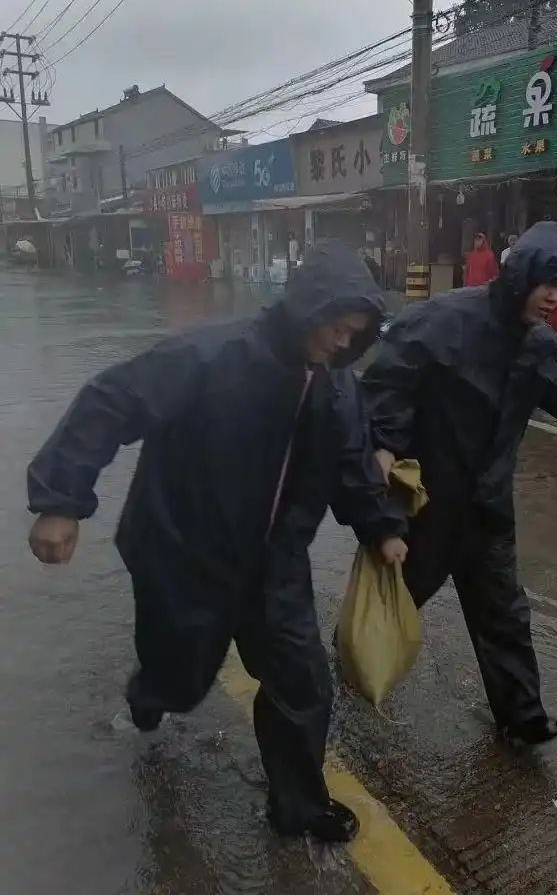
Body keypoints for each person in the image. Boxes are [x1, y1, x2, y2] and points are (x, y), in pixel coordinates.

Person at [26, 241, 408, 844]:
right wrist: (60, 501)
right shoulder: (209, 357)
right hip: (183, 554)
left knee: (302, 682)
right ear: (305, 308)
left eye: (353, 334)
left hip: (275, 567)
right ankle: (150, 692)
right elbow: (111, 402)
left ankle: (299, 806)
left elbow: (355, 465)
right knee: (180, 681)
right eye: (335, 327)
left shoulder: (336, 390)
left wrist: (383, 526)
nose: (341, 343)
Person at [362, 221, 557, 747]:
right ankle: (354, 662)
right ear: (520, 276)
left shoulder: (536, 341)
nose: (554, 296)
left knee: (503, 611)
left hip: (487, 505)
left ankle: (521, 713)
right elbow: (392, 382)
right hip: (431, 506)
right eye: (546, 282)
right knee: (398, 598)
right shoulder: (443, 321)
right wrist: (384, 445)